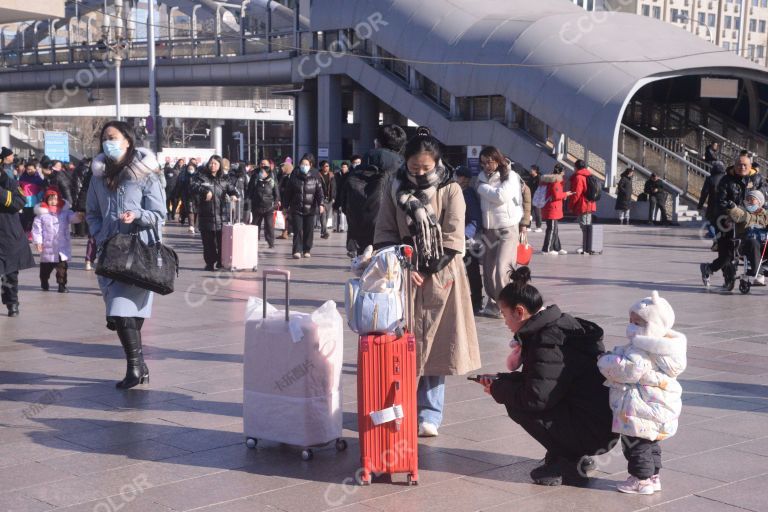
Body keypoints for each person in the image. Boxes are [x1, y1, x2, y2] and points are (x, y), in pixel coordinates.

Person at [374, 126, 481, 437]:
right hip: (403, 275)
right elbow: (384, 233)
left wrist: (428, 267)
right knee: (403, 344)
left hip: (442, 277)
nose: (419, 173)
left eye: (426, 168)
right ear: (405, 162)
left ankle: (430, 414)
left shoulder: (451, 190)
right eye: (413, 167)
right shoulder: (393, 188)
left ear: (437, 163)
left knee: (436, 346)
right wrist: (405, 264)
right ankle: (401, 404)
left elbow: (454, 237)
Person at [479, 267, 616, 486]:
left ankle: (570, 462)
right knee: (514, 392)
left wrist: (498, 389)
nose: (504, 322)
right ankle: (566, 455)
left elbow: (536, 398)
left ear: (520, 312)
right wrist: (503, 380)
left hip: (592, 430)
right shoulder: (556, 325)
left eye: (505, 315)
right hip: (596, 421)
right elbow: (544, 382)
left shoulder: (548, 341)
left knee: (517, 403)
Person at [86, 120, 166, 389]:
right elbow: (92, 213)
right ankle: (138, 366)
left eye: (113, 137)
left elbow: (159, 214)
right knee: (121, 312)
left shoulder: (146, 173)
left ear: (128, 140)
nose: (108, 142)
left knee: (125, 311)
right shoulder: (98, 176)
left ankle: (135, 367)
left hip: (139, 250)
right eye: (105, 138)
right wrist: (99, 235)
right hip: (111, 252)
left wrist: (138, 215)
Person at [598, 291, 686, 495]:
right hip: (657, 405)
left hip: (640, 407)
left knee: (635, 445)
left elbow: (628, 370)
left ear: (651, 326)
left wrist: (605, 360)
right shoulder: (668, 348)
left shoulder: (641, 348)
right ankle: (654, 477)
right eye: (631, 320)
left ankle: (641, 480)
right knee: (651, 442)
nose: (631, 326)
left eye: (636, 322)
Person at [701, 154, 768, 290]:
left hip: (752, 221)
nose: (742, 167)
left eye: (745, 165)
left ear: (750, 166)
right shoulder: (726, 180)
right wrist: (730, 216)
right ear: (734, 165)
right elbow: (721, 202)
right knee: (727, 255)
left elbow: (763, 198)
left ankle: (757, 270)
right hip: (727, 219)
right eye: (739, 164)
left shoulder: (758, 179)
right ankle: (712, 269)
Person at [475, 146, 523, 319]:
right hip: (489, 229)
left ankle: (509, 304)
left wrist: (481, 188)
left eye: (489, 161)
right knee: (488, 270)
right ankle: (494, 303)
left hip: (507, 227)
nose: (486, 166)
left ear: (498, 159)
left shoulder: (511, 175)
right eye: (483, 163)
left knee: (502, 269)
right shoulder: (481, 177)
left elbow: (501, 196)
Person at [344, 124, 407, 256]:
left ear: (377, 142)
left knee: (367, 269)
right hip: (393, 228)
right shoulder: (402, 166)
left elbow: (347, 198)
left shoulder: (363, 164)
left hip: (363, 228)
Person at [191, 155, 240, 271]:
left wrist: (234, 195)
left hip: (222, 216)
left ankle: (220, 262)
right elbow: (193, 187)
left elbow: (233, 189)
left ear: (220, 166)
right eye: (211, 163)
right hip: (206, 215)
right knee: (208, 243)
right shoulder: (201, 177)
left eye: (215, 164)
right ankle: (209, 263)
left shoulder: (224, 179)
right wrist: (205, 191)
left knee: (221, 242)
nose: (212, 166)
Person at [32, 188, 83, 293]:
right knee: (45, 270)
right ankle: (44, 282)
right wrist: (38, 242)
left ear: (59, 200)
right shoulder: (41, 215)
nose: (53, 201)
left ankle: (62, 285)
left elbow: (72, 218)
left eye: (55, 199)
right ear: (46, 200)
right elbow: (37, 230)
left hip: (61, 247)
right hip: (48, 248)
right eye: (50, 199)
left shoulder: (65, 212)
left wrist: (79, 216)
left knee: (62, 269)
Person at [0, 166, 35, 317]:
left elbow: (19, 203)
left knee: (9, 273)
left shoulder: (11, 184)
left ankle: (12, 302)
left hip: (8, 235)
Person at [284, 154, 324, 258]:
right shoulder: (295, 174)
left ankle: (307, 249)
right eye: (302, 164)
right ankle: (297, 250)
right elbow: (288, 191)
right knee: (297, 229)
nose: (304, 166)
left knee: (308, 230)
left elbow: (319, 192)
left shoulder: (315, 175)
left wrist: (321, 204)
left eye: (306, 164)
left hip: (310, 208)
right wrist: (285, 206)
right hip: (297, 207)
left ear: (310, 165)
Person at [456, 166, 484, 314]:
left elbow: (475, 219)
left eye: (459, 177)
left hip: (467, 241)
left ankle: (477, 301)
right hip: (462, 238)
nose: (458, 179)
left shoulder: (468, 194)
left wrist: (465, 235)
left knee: (471, 270)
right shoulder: (462, 192)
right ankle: (473, 300)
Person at [726, 190, 768, 286]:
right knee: (753, 242)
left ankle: (764, 267)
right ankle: (759, 274)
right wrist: (732, 208)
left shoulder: (765, 215)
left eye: (752, 199)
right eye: (747, 198)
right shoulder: (743, 212)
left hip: (763, 246)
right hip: (745, 245)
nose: (749, 200)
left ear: (759, 202)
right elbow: (736, 214)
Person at [246, 159, 280, 249]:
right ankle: (254, 241)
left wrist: (276, 203)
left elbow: (276, 192)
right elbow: (250, 190)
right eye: (261, 164)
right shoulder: (255, 176)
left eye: (265, 164)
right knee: (255, 225)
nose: (263, 165)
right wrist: (248, 200)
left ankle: (270, 242)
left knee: (269, 226)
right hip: (256, 206)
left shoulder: (272, 177)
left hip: (269, 207)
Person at [540, 164, 573, 255]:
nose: (564, 173)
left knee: (554, 229)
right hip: (552, 208)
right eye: (564, 171)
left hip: (549, 207)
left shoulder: (548, 179)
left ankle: (557, 247)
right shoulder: (555, 181)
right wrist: (566, 194)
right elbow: (556, 195)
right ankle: (547, 249)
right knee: (551, 229)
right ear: (561, 171)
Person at [569, 159, 597, 254]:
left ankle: (586, 247)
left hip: (584, 204)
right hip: (590, 203)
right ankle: (587, 246)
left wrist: (571, 205)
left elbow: (576, 193)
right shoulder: (589, 175)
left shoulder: (579, 177)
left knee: (584, 226)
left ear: (576, 167)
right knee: (587, 225)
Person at [698, 161, 727, 242]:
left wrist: (700, 205)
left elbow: (704, 193)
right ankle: (718, 235)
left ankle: (713, 234)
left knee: (709, 220)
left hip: (712, 203)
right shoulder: (726, 178)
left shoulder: (710, 178)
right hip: (724, 204)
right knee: (722, 221)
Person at [19, 160, 44, 236]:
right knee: (24, 218)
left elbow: (41, 190)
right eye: (28, 169)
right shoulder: (22, 177)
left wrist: (40, 198)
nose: (29, 171)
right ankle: (24, 233)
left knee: (33, 218)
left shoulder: (38, 179)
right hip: (24, 202)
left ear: (35, 169)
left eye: (31, 169)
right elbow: (19, 188)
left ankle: (32, 233)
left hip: (34, 202)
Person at [177, 163, 199, 232]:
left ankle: (195, 225)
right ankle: (191, 226)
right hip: (188, 196)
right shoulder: (184, 176)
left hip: (197, 197)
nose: (190, 170)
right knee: (190, 211)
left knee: (196, 211)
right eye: (189, 169)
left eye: (192, 169)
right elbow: (181, 186)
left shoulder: (198, 176)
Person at [318, 160, 335, 239]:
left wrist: (334, 197)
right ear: (321, 167)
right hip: (322, 199)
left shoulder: (331, 175)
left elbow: (334, 187)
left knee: (327, 216)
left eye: (328, 166)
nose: (327, 168)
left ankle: (323, 232)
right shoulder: (318, 175)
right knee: (323, 215)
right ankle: (324, 232)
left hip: (330, 199)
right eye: (325, 166)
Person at [277, 161, 294, 240]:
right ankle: (284, 232)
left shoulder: (292, 177)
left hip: (289, 201)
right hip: (283, 200)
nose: (281, 169)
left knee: (288, 217)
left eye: (283, 168)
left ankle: (287, 232)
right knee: (284, 217)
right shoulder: (283, 176)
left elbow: (288, 189)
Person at [525, 165, 543, 232]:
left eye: (531, 169)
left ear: (535, 170)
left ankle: (538, 227)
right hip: (530, 197)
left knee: (537, 212)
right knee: (528, 212)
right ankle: (528, 226)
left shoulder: (539, 178)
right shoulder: (530, 177)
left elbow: (540, 188)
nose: (530, 170)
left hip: (537, 198)